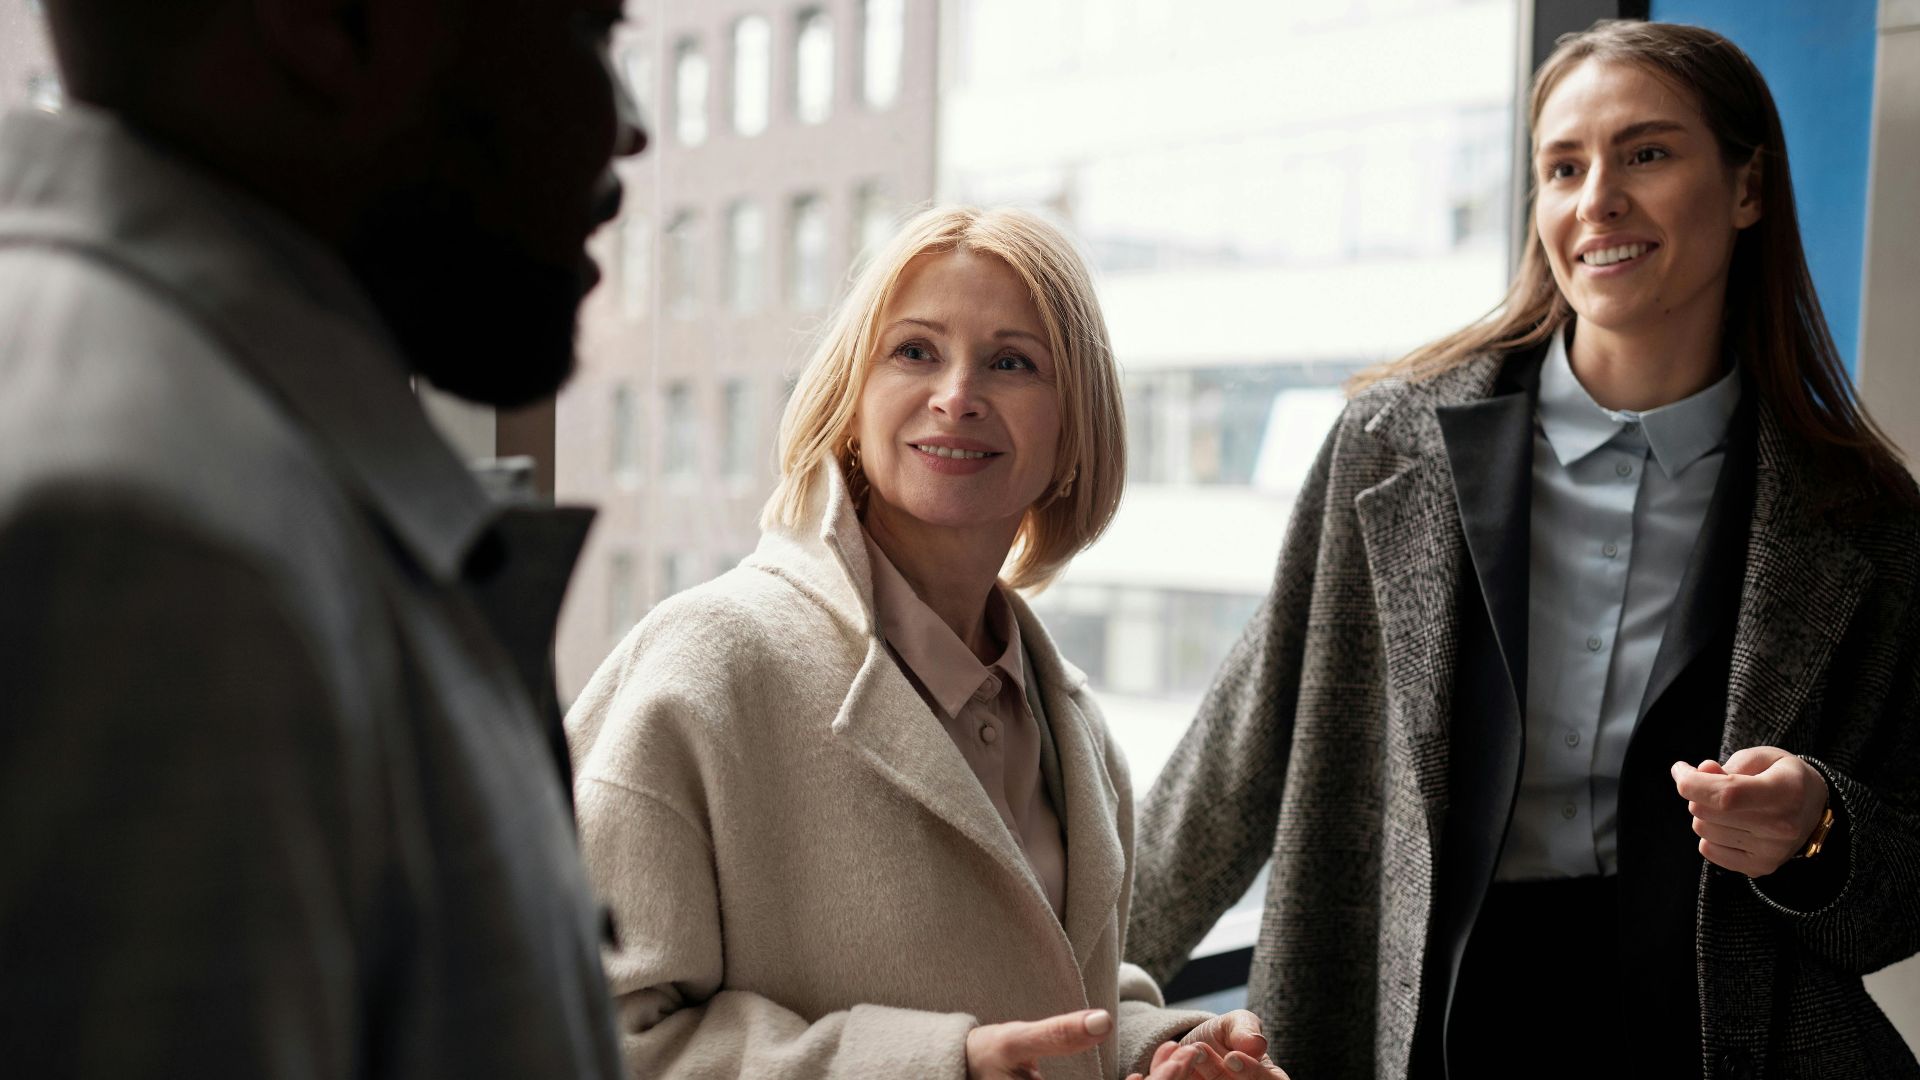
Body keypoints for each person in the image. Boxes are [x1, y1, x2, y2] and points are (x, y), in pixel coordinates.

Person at [1126, 19, 1920, 1080]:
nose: (1597, 197)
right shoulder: (1391, 449)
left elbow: (1902, 889)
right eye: (1563, 166)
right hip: (1421, 1030)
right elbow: (1234, 759)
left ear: (1747, 190)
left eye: (1645, 153)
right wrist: (1063, 999)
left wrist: (1816, 831)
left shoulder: (1862, 517)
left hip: (1727, 1042)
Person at [0, 0, 645, 1074]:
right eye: (590, 32)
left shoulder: (225, 466)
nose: (629, 130)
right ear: (328, 24)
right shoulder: (153, 552)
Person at [566, 206, 1291, 1080]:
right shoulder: (704, 665)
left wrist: (1154, 1050)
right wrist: (941, 1066)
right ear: (851, 403)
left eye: (1012, 362)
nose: (958, 394)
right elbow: (589, 1034)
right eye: (914, 351)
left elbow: (1043, 990)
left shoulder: (1079, 731)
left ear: (1073, 432)